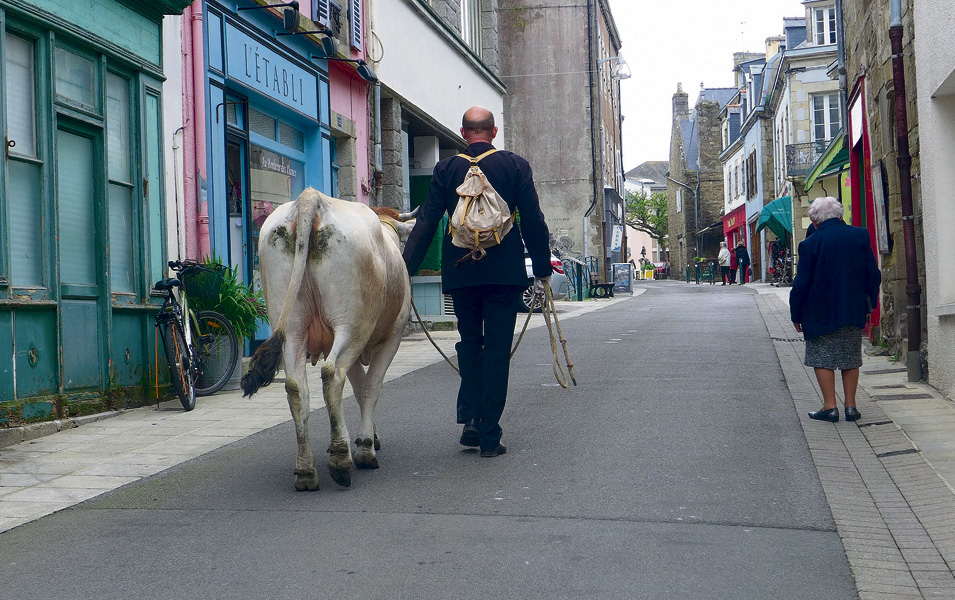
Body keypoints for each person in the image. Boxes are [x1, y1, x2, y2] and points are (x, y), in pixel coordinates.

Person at [402, 106, 553, 458]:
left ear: (462, 133)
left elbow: (426, 222)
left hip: (461, 271)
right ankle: (489, 435)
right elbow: (532, 219)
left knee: (470, 344)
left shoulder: (446, 168)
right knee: (498, 350)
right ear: (494, 132)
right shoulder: (515, 165)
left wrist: (404, 269)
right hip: (504, 274)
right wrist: (543, 269)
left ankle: (470, 419)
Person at [790, 196, 881, 423]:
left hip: (818, 310)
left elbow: (801, 284)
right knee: (850, 356)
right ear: (841, 216)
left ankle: (830, 407)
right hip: (852, 307)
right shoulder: (859, 235)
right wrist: (870, 302)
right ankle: (851, 407)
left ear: (815, 221)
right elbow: (873, 274)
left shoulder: (810, 244)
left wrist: (796, 314)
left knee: (822, 357)